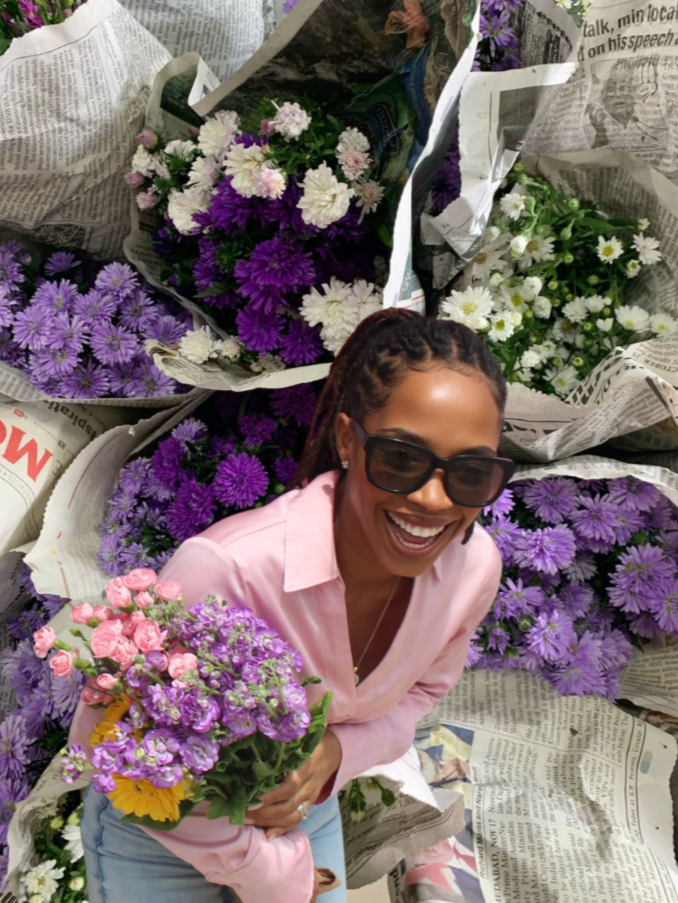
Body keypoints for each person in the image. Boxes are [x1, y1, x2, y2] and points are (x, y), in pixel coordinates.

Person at [75, 309, 513, 903]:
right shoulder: (228, 569)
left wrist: (334, 753)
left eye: (471, 473)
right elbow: (105, 737)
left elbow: (422, 695)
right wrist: (273, 875)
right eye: (401, 459)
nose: (434, 499)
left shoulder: (473, 569)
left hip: (300, 810)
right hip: (166, 832)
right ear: (347, 441)